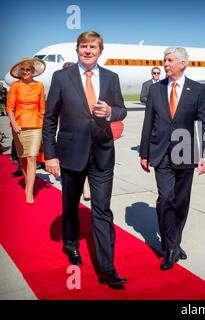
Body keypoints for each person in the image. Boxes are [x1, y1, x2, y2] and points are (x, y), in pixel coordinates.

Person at [43, 31, 128, 286]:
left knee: (102, 209)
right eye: (83, 47)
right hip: (70, 153)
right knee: (70, 204)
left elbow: (122, 109)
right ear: (77, 49)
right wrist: (51, 155)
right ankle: (70, 243)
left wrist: (112, 111)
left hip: (102, 153)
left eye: (92, 47)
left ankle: (107, 268)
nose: (88, 51)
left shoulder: (111, 78)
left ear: (100, 51)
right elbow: (49, 119)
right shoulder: (62, 77)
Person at [139, 47, 205, 270]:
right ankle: (170, 248)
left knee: (181, 201)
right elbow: (148, 121)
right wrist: (144, 153)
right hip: (160, 153)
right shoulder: (156, 89)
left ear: (182, 64)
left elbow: (204, 122)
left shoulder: (197, 89)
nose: (165, 64)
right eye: (164, 60)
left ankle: (175, 241)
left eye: (170, 60)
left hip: (186, 152)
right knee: (166, 198)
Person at [6, 58, 46, 205]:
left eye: (28, 70)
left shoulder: (39, 86)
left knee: (32, 158)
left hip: (36, 124)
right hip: (19, 125)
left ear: (33, 71)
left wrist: (43, 124)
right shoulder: (15, 86)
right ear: (20, 72)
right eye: (23, 70)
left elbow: (42, 108)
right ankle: (27, 183)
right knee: (23, 157)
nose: (25, 72)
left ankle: (29, 191)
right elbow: (9, 107)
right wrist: (14, 123)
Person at [62, 61, 91, 201]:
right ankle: (84, 189)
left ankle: (85, 189)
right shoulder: (64, 87)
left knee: (80, 163)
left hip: (74, 135)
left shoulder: (84, 87)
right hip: (71, 135)